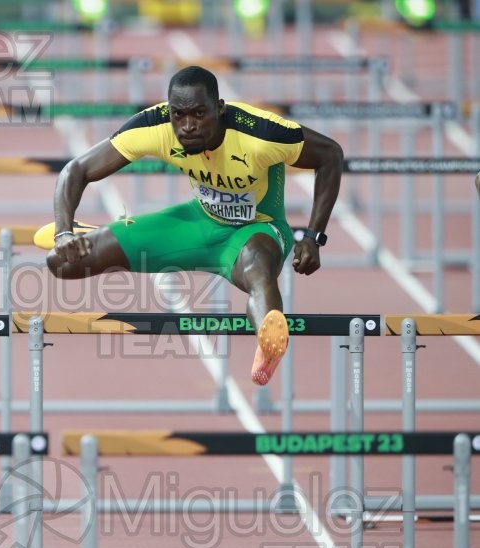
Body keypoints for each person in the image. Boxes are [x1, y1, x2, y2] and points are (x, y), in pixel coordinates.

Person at [45, 66, 343, 386]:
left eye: (199, 114)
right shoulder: (155, 125)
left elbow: (330, 155)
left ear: (220, 108)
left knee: (259, 270)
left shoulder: (261, 134)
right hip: (196, 223)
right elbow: (76, 170)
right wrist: (63, 232)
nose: (187, 126)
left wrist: (313, 237)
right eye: (179, 115)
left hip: (254, 231)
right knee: (61, 264)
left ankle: (268, 345)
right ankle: (83, 234)